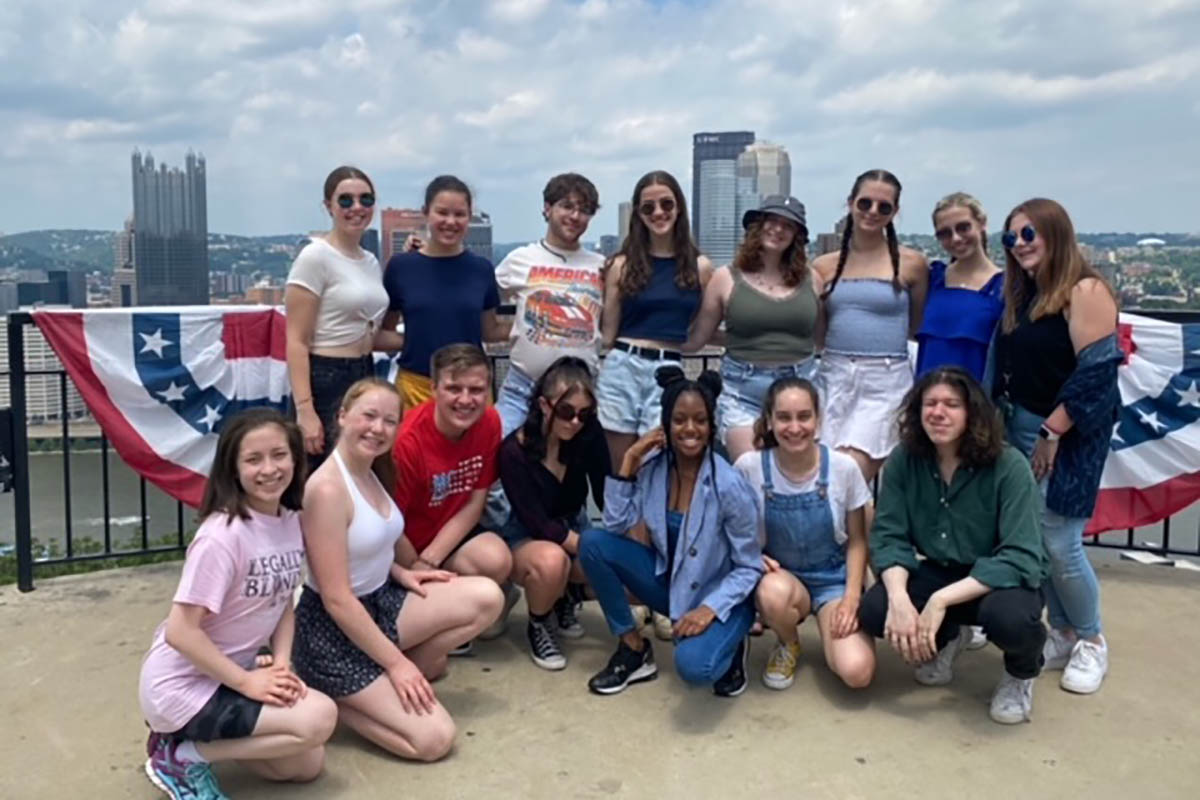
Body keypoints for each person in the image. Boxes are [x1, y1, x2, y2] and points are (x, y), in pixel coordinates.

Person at [292, 378, 503, 761]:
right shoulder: (326, 489)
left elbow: (367, 544)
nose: (378, 429)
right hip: (333, 632)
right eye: (369, 416)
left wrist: (401, 573)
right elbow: (337, 598)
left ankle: (390, 680)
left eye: (390, 421)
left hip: (381, 601)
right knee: (434, 740)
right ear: (342, 416)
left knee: (487, 597)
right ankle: (338, 698)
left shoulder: (371, 470)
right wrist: (398, 664)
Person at [139, 409, 337, 798]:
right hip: (182, 686)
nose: (269, 469)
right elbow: (181, 632)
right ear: (233, 469)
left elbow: (282, 601)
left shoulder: (288, 520)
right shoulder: (222, 537)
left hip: (229, 674)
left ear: (296, 460)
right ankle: (182, 757)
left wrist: (281, 665)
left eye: (279, 455)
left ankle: (192, 746)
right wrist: (248, 682)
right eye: (253, 459)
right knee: (320, 718)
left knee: (303, 765)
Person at [859, 368, 1048, 724]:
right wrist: (900, 601)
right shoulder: (905, 460)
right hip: (941, 568)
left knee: (1012, 621)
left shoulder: (1009, 466)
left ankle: (1021, 673)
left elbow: (1021, 555)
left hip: (997, 580)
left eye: (951, 404)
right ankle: (946, 637)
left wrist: (939, 600)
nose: (938, 412)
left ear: (972, 412)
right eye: (929, 404)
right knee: (875, 610)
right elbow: (889, 536)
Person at [992, 197, 1121, 696]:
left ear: (1055, 234)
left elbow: (1095, 377)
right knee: (1039, 542)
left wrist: (1052, 431)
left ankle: (1092, 639)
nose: (1019, 245)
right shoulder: (1026, 294)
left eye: (1028, 234)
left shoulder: (1085, 290)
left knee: (1061, 542)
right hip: (1022, 426)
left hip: (1069, 435)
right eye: (1010, 238)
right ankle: (1064, 633)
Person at [579, 368, 762, 697]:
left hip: (721, 598)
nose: (690, 429)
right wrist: (630, 460)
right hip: (673, 584)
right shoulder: (652, 469)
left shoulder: (729, 484)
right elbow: (616, 524)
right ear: (665, 423)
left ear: (711, 425)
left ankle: (734, 643)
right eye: (679, 420)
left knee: (695, 669)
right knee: (593, 543)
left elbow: (749, 566)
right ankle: (633, 649)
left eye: (700, 420)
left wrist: (709, 610)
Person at [733, 378, 876, 691]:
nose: (795, 427)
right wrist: (753, 557)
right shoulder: (749, 467)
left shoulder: (844, 468)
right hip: (784, 578)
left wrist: (852, 597)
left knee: (857, 672)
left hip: (834, 580)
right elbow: (731, 529)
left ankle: (832, 626)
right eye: (784, 417)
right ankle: (788, 642)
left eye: (804, 416)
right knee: (771, 593)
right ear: (769, 421)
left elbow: (857, 540)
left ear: (818, 420)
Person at [391, 344, 515, 652]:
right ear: (433, 388)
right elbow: (389, 522)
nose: (465, 400)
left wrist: (429, 560)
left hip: (446, 537)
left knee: (496, 558)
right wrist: (414, 567)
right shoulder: (406, 442)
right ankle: (452, 605)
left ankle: (468, 597)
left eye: (476, 390)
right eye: (453, 388)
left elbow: (476, 500)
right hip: (399, 542)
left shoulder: (490, 422)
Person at [684, 196, 823, 463]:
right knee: (752, 470)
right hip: (743, 389)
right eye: (771, 221)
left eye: (788, 225)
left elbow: (822, 338)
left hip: (800, 387)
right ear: (757, 227)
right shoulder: (725, 278)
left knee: (796, 473)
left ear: (797, 236)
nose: (778, 229)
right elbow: (698, 337)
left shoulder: (812, 280)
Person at [813, 169, 929, 482]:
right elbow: (819, 335)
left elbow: (915, 325)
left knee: (847, 473)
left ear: (895, 213)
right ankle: (854, 533)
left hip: (885, 381)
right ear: (850, 203)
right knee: (823, 473)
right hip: (833, 377)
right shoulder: (823, 266)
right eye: (865, 203)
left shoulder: (912, 264)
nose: (873, 212)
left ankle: (858, 532)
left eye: (884, 207)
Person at [286, 166, 403, 470]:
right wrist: (305, 411)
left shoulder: (370, 261)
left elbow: (367, 334)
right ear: (328, 206)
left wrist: (422, 336)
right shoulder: (315, 257)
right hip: (325, 377)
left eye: (366, 199)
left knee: (359, 473)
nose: (357, 208)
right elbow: (296, 341)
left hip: (364, 372)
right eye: (346, 200)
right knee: (325, 475)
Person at [498, 357, 609, 670]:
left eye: (584, 414)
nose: (575, 422)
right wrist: (593, 549)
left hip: (573, 523)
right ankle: (539, 621)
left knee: (618, 563)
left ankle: (567, 596)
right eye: (566, 411)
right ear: (544, 405)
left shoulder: (588, 434)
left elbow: (603, 491)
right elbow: (537, 522)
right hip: (527, 534)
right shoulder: (514, 452)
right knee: (552, 560)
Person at [597, 170, 712, 471]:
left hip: (668, 369)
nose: (658, 213)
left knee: (656, 466)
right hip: (622, 366)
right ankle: (621, 521)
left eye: (666, 204)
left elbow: (701, 332)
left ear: (679, 208)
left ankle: (652, 521)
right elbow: (607, 335)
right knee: (622, 469)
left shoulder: (700, 267)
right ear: (638, 214)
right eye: (648, 207)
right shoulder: (621, 265)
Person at [382, 176, 508, 412]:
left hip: (470, 391)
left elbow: (489, 330)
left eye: (459, 214)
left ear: (469, 217)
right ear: (426, 213)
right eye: (442, 213)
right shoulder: (401, 267)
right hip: (417, 387)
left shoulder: (481, 269)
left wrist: (533, 326)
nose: (451, 221)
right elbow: (384, 331)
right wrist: (418, 338)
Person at [494, 173, 606, 436]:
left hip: (578, 398)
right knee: (495, 452)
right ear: (547, 208)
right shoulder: (520, 259)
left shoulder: (602, 265)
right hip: (523, 390)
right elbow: (477, 292)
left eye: (584, 210)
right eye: (567, 206)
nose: (575, 216)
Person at [915, 192, 1004, 382]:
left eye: (963, 228)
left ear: (982, 223)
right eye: (945, 233)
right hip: (927, 398)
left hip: (975, 400)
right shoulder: (932, 278)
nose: (956, 238)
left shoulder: (1004, 287)